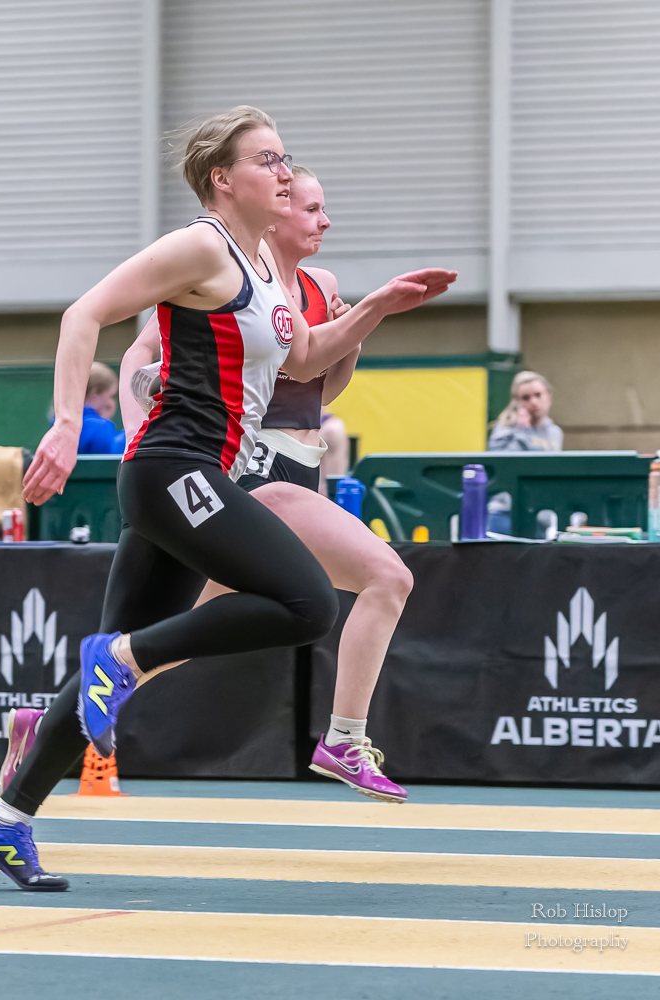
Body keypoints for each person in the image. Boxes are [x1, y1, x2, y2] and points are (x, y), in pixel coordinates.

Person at [0, 105, 456, 891]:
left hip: (197, 476)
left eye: (286, 158)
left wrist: (376, 308)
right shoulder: (202, 246)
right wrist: (65, 424)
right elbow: (84, 313)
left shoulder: (264, 269)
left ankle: (5, 819)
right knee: (307, 604)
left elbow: (306, 359)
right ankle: (118, 661)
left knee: (108, 681)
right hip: (171, 468)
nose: (285, 172)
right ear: (222, 178)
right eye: (269, 160)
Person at [121, 165, 429, 804]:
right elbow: (138, 357)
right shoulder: (229, 273)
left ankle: (50, 720)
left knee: (173, 637)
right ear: (277, 210)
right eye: (311, 208)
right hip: (249, 468)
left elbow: (321, 388)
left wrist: (354, 335)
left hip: (302, 463)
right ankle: (344, 738)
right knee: (388, 577)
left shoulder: (320, 285)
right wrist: (138, 437)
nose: (324, 221)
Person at [488, 371, 563, 452]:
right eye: (525, 398)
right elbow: (501, 458)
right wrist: (522, 431)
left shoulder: (555, 432)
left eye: (538, 395)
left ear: (548, 397)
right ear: (517, 402)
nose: (533, 402)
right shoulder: (505, 428)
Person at [76, 362, 126, 454]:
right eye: (112, 396)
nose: (112, 403)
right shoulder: (101, 426)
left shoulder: (59, 423)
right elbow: (110, 457)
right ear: (94, 392)